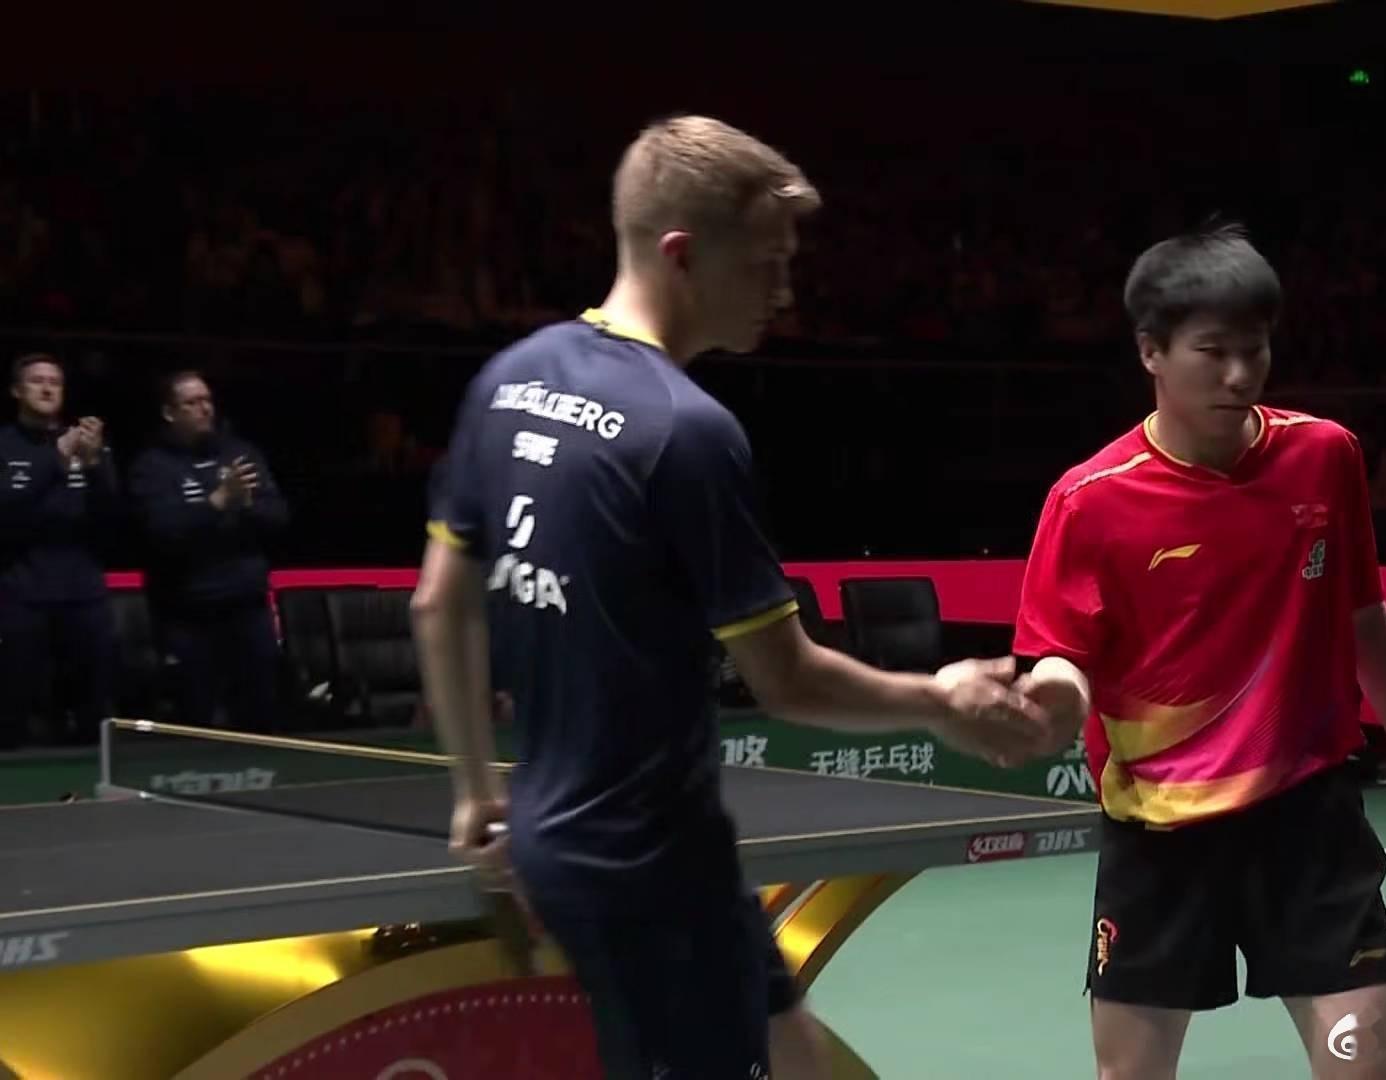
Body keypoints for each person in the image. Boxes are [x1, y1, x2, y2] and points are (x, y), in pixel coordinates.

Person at [410, 114, 1062, 1080]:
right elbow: (786, 680)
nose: (785, 292)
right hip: (645, 867)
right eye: (766, 264)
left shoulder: (509, 380)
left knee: (796, 1056)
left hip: (605, 839)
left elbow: (438, 605)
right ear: (682, 255)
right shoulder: (683, 432)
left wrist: (475, 791)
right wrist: (942, 700)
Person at [1009, 224, 1386, 1080]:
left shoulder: (1324, 456)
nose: (1239, 374)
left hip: (1310, 822)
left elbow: (1364, 618)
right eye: (1211, 351)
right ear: (1151, 352)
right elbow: (1060, 654)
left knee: (1365, 1063)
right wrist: (1054, 697)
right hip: (1162, 833)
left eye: (1254, 350)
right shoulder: (1089, 500)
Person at [128, 370, 289, 732]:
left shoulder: (240, 454)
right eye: (192, 402)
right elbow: (161, 532)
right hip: (188, 615)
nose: (204, 408)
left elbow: (278, 516)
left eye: (207, 400)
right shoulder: (151, 467)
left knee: (261, 714)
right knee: (196, 718)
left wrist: (246, 504)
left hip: (247, 608)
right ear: (170, 412)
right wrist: (216, 502)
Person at [0, 354, 119, 748]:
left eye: (55, 382)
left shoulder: (88, 445)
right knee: (15, 707)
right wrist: (56, 461)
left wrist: (95, 465)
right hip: (22, 595)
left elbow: (113, 521)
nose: (48, 388)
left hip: (84, 595)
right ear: (16, 391)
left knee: (91, 706)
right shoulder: (5, 445)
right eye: (37, 380)